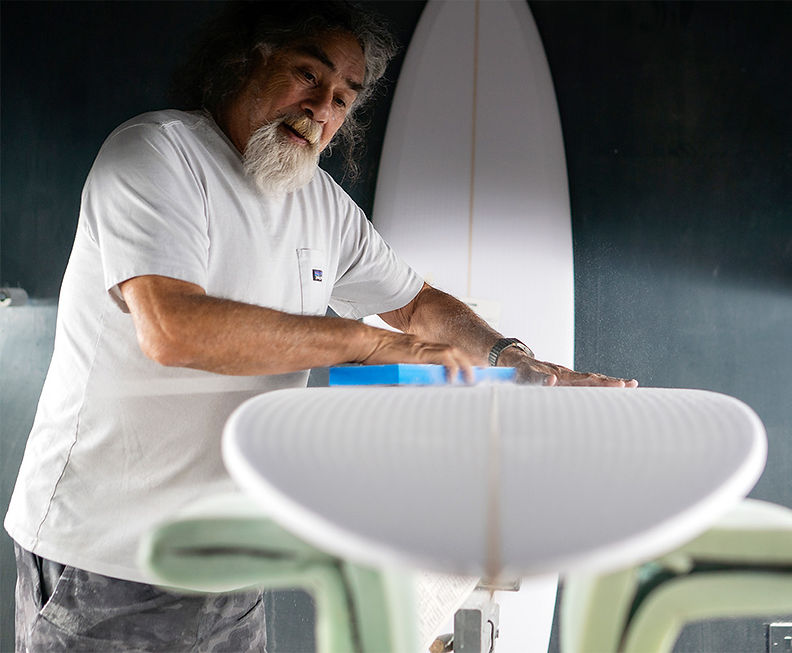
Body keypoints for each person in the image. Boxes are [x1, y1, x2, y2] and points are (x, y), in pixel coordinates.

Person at [4, 1, 637, 650]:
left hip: (231, 562)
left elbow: (415, 304)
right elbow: (173, 330)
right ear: (246, 60)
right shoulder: (158, 155)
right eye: (308, 75)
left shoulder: (321, 205)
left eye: (343, 97)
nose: (321, 109)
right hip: (104, 555)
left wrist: (513, 358)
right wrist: (366, 341)